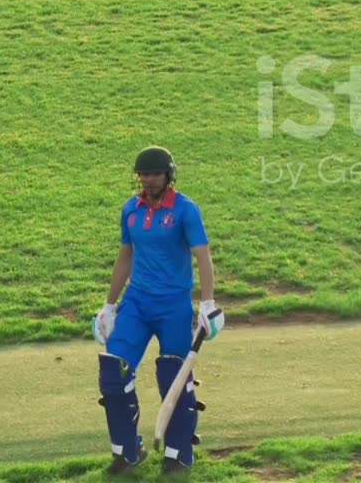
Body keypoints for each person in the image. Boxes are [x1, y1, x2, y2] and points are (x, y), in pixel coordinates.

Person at [92, 146, 224, 475]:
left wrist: (207, 302)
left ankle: (178, 454)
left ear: (168, 175)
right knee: (113, 373)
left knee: (174, 376)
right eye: (143, 175)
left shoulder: (185, 210)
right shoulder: (130, 210)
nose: (148, 181)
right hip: (136, 302)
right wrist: (109, 305)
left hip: (174, 305)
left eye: (154, 174)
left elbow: (203, 257)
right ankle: (127, 452)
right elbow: (125, 256)